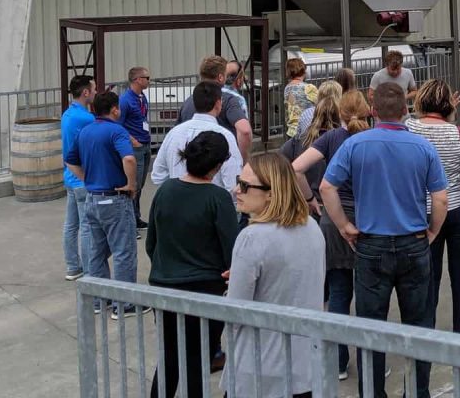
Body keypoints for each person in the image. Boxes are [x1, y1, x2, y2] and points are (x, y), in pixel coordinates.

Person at [321, 82, 447, 398]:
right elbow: (441, 199)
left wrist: (344, 226)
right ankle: (417, 391)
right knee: (418, 325)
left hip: (371, 244)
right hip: (413, 242)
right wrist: (431, 232)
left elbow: (326, 188)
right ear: (406, 110)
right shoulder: (422, 147)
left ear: (373, 111)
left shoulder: (355, 145)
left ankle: (372, 392)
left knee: (371, 327)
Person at [224, 152, 325, 398]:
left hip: (260, 367)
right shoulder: (311, 226)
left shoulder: (252, 237)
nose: (236, 189)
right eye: (239, 180)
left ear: (271, 192)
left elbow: (235, 311)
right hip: (306, 366)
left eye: (245, 185)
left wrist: (233, 285)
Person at [147, 131, 238, 398]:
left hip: (165, 287)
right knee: (198, 360)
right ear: (218, 165)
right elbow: (232, 251)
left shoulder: (165, 191)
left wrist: (166, 267)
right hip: (205, 292)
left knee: (169, 358)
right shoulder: (218, 198)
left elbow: (151, 242)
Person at [291, 90, 371, 380]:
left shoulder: (331, 138)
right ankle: (369, 363)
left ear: (339, 113)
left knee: (338, 292)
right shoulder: (372, 137)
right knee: (368, 296)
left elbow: (295, 168)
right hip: (366, 221)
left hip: (333, 220)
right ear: (368, 112)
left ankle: (338, 362)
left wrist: (311, 197)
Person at [407, 79, 460, 335]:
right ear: (448, 105)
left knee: (429, 274)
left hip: (424, 210)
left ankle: (427, 328)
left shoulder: (410, 128)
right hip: (458, 210)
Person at [64, 90, 145, 319]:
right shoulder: (117, 131)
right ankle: (125, 304)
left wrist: (87, 178)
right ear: (115, 109)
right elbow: (129, 158)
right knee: (123, 252)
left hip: (93, 198)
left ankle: (101, 300)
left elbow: (70, 161)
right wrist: (131, 184)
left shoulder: (85, 131)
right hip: (115, 199)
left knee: (96, 253)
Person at [151, 81, 243, 195]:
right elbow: (232, 182)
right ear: (218, 103)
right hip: (212, 206)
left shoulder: (173, 133)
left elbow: (157, 175)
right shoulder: (225, 136)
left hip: (177, 203)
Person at [179, 56, 253, 161]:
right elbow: (245, 131)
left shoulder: (188, 102)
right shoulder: (230, 100)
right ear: (221, 77)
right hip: (223, 161)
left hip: (193, 165)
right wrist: (243, 160)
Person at [61, 75, 96, 281]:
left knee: (71, 225)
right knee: (87, 227)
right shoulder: (86, 118)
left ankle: (73, 266)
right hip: (82, 179)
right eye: (93, 89)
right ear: (85, 92)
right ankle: (91, 272)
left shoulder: (68, 114)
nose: (95, 92)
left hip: (70, 177)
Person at [281, 90, 341, 204]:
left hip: (303, 200)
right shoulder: (340, 141)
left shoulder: (299, 139)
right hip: (329, 203)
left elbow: (279, 161)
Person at [119, 66, 152, 230]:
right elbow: (119, 124)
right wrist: (132, 141)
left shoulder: (142, 97)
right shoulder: (125, 100)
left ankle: (136, 217)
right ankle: (130, 222)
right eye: (147, 77)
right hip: (136, 147)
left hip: (145, 145)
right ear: (137, 79)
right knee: (134, 186)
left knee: (140, 186)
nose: (148, 80)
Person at [284, 58, 319, 138]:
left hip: (291, 131)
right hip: (306, 130)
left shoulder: (287, 88)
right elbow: (321, 105)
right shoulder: (309, 88)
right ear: (303, 70)